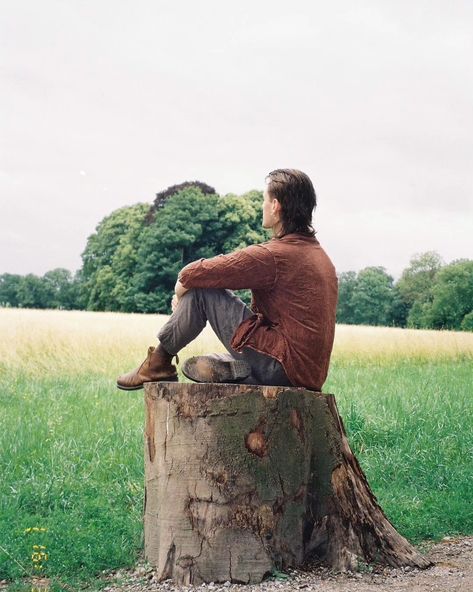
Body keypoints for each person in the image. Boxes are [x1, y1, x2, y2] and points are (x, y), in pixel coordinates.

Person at [117, 169, 338, 392]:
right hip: (308, 375)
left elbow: (194, 273)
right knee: (207, 298)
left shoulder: (276, 255)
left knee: (202, 292)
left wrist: (180, 289)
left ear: (275, 206)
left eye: (264, 200)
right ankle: (231, 367)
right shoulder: (321, 258)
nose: (263, 206)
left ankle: (158, 363)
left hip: (282, 367)